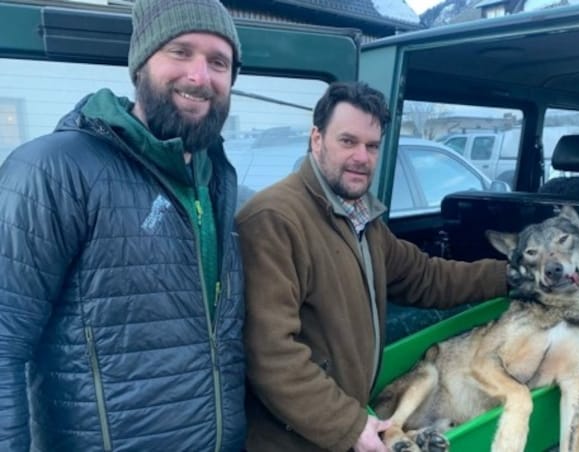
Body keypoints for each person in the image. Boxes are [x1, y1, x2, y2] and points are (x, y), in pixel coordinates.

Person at [0, 0, 246, 450]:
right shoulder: (56, 170)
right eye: (180, 51)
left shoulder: (220, 185)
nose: (200, 76)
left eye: (218, 62)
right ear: (139, 66)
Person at [236, 81, 508, 452]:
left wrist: (511, 275)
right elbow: (270, 355)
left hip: (342, 427)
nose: (362, 157)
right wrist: (348, 425)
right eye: (347, 141)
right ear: (317, 139)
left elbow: (427, 277)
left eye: (372, 146)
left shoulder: (362, 218)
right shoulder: (274, 220)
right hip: (293, 441)